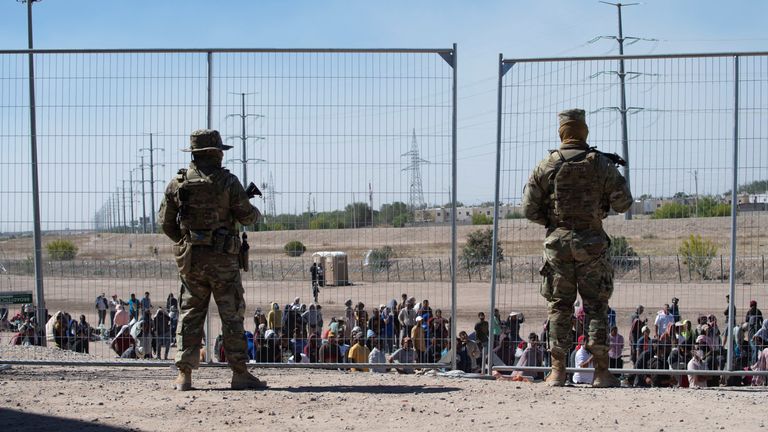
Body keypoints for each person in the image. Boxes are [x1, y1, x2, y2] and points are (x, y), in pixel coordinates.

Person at [522, 109, 632, 387]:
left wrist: (554, 221)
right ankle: (601, 373)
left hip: (557, 247)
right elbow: (624, 203)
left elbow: (528, 209)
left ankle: (557, 371)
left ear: (562, 132)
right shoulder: (600, 165)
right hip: (592, 245)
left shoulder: (546, 165)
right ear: (584, 131)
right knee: (596, 306)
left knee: (560, 306)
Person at [158, 129, 266, 391]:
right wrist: (253, 210)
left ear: (194, 153)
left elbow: (165, 223)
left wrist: (187, 241)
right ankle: (239, 372)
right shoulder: (228, 182)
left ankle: (185, 374)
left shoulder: (178, 183)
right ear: (216, 153)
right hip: (224, 261)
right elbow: (247, 217)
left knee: (190, 314)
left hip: (192, 261)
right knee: (232, 315)